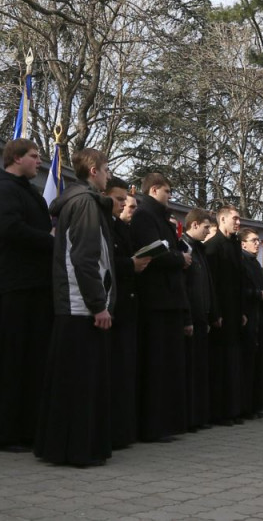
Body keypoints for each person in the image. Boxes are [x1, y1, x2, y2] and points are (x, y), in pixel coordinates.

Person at [34, 148, 116, 467]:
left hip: (78, 305)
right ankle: (76, 449)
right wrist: (98, 305)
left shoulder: (82, 201)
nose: (108, 176)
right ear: (93, 170)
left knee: (70, 380)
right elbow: (84, 259)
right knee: (80, 382)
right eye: (106, 170)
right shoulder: (84, 203)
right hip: (80, 306)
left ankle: (61, 446)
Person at [0, 138, 54, 451]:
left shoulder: (20, 188)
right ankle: (2, 431)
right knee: (10, 361)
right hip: (12, 286)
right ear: (16, 158)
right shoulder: (3, 189)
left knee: (26, 359)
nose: (39, 162)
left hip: (28, 285)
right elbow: (10, 229)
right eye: (34, 156)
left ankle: (22, 427)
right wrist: (51, 240)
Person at [130, 172, 191, 442]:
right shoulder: (145, 216)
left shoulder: (160, 217)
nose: (170, 196)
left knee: (169, 365)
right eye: (167, 191)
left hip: (169, 300)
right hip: (156, 300)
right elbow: (152, 252)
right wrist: (180, 258)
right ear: (154, 190)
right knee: (156, 365)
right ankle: (153, 426)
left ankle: (167, 422)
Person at [103, 177, 148, 449]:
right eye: (119, 199)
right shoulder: (102, 223)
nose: (123, 205)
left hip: (128, 304)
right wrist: (130, 264)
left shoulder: (120, 226)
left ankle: (123, 430)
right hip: (112, 304)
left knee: (124, 372)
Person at [205, 206, 246, 425]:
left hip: (234, 312)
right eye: (235, 219)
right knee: (221, 363)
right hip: (221, 313)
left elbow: (237, 282)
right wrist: (216, 313)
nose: (238, 223)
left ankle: (233, 408)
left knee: (233, 362)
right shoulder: (213, 247)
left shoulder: (235, 245)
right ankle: (220, 411)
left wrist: (241, 312)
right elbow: (213, 285)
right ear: (222, 219)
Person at [181, 209, 219, 431]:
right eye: (206, 227)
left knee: (200, 370)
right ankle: (189, 417)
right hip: (191, 317)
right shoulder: (184, 248)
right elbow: (184, 288)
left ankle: (199, 415)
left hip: (202, 316)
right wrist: (188, 318)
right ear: (194, 225)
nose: (208, 231)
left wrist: (212, 313)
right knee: (191, 370)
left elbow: (207, 286)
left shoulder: (200, 251)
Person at [238, 228, 263, 419]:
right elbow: (239, 290)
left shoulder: (257, 265)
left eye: (258, 241)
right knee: (248, 363)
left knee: (258, 362)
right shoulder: (241, 262)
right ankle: (247, 404)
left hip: (260, 317)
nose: (257, 244)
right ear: (243, 243)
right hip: (249, 316)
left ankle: (257, 401)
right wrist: (257, 294)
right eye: (253, 240)